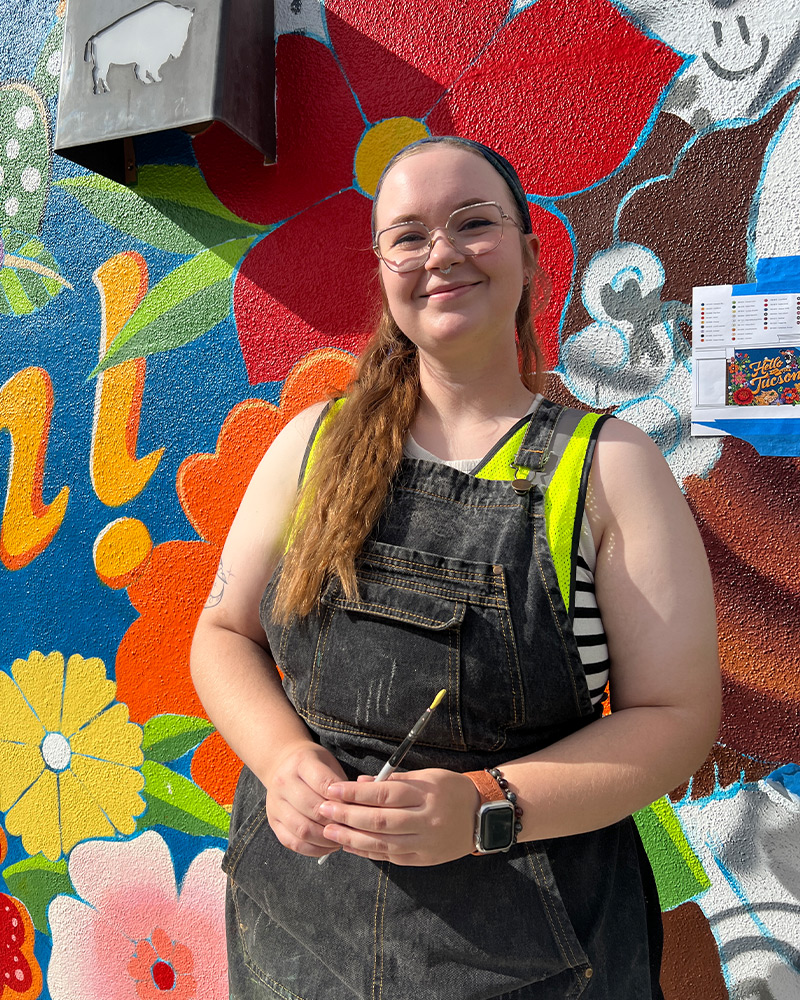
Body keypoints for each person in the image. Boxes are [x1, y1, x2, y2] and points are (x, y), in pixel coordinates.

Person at [190, 136, 720, 1000]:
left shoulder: (607, 468)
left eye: (473, 222)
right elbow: (221, 632)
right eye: (408, 235)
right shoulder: (312, 446)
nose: (440, 253)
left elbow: (676, 718)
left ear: (528, 251)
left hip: (535, 959)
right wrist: (283, 758)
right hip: (296, 938)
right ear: (382, 267)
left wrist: (483, 806)